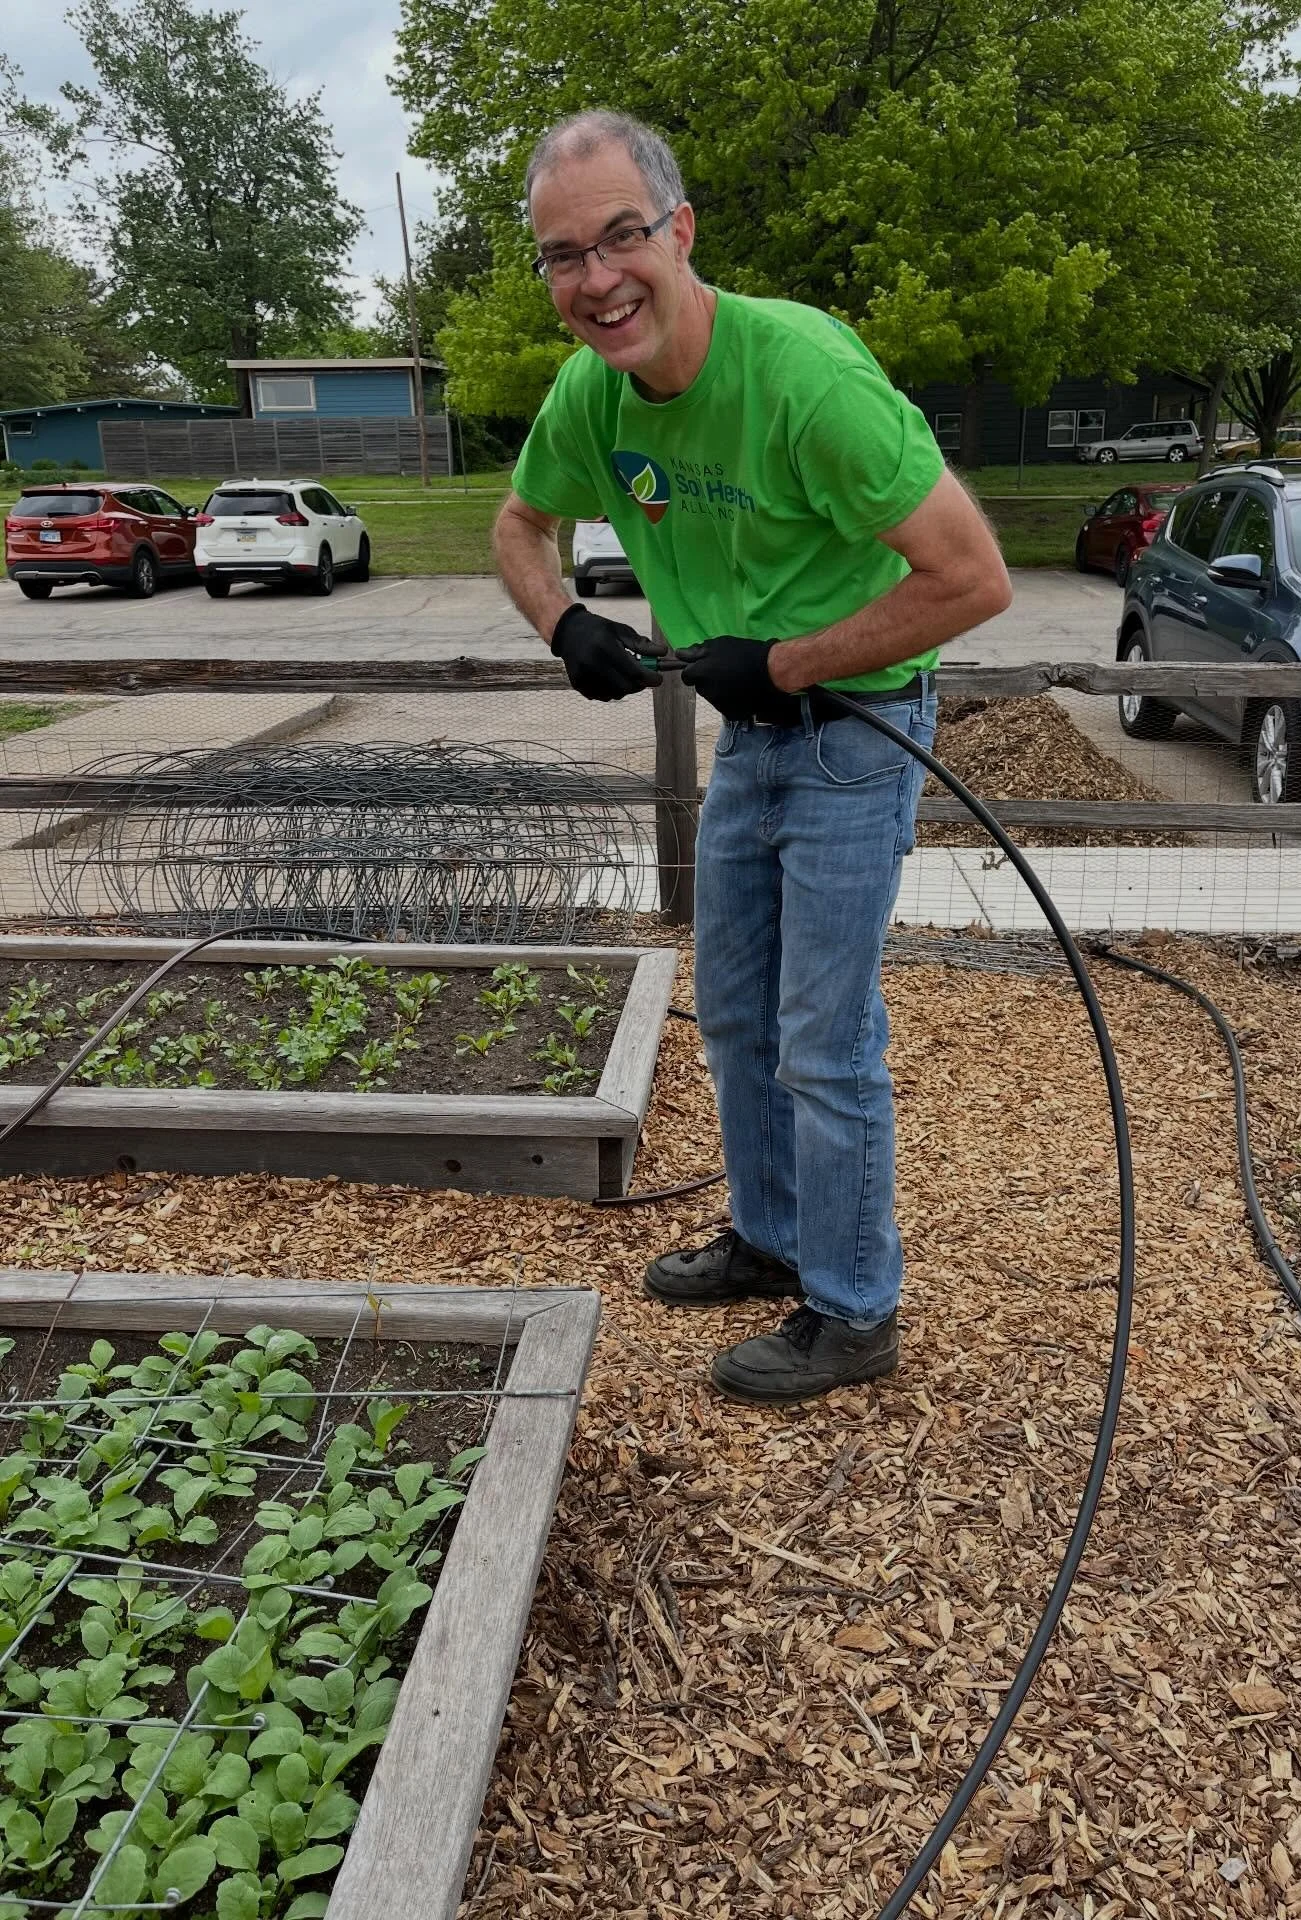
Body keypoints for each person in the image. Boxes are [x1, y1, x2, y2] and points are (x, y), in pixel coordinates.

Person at [492, 110, 1012, 1405]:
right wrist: (563, 621)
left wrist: (780, 665)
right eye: (565, 256)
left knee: (822, 1037)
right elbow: (518, 524)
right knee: (731, 1007)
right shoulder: (590, 395)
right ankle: (772, 1236)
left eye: (621, 237)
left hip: (857, 732)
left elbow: (972, 578)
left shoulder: (803, 379)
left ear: (680, 229)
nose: (598, 278)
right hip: (754, 740)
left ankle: (854, 1309)